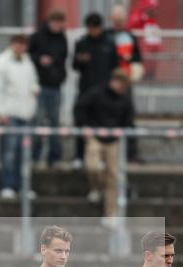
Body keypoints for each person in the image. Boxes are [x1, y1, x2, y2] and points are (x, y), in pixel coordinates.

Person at [75, 69, 134, 223]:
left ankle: (110, 213)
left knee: (113, 177)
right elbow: (80, 108)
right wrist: (84, 126)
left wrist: (123, 133)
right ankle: (97, 187)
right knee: (92, 166)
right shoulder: (96, 93)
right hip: (95, 137)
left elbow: (129, 120)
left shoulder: (125, 100)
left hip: (113, 141)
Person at [0, 35, 39, 199]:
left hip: (26, 114)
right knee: (9, 152)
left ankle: (22, 186)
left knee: (24, 154)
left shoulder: (27, 62)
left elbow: (33, 83)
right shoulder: (1, 62)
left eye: (24, 45)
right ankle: (7, 185)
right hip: (9, 114)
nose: (21, 48)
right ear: (12, 45)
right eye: (18, 44)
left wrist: (34, 95)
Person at [72, 13, 117, 169]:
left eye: (94, 29)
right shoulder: (82, 42)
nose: (92, 32)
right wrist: (80, 60)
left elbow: (114, 67)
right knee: (81, 122)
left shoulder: (110, 43)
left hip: (103, 93)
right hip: (86, 91)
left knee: (103, 123)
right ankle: (79, 156)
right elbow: (74, 66)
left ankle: (103, 158)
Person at [28, 10, 68, 168]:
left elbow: (63, 60)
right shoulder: (37, 36)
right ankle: (35, 157)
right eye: (55, 22)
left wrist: (60, 76)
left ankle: (54, 158)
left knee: (55, 124)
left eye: (60, 23)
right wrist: (40, 59)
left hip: (56, 86)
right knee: (38, 123)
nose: (58, 26)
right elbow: (29, 56)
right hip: (39, 86)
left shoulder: (62, 38)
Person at [109, 4, 144, 164]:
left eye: (121, 20)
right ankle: (110, 154)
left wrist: (132, 62)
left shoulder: (130, 36)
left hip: (126, 83)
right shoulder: (106, 36)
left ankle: (131, 153)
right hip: (109, 84)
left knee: (128, 118)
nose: (119, 23)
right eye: (116, 20)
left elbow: (138, 58)